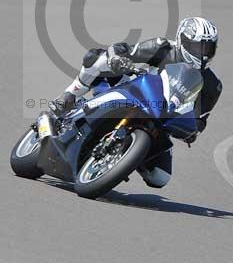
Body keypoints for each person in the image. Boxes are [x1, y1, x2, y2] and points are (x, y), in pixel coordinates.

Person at [48, 16, 222, 188]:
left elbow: (200, 120)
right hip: (137, 92)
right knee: (98, 58)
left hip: (161, 121)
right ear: (182, 40)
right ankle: (69, 96)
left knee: (159, 177)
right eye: (197, 46)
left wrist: (191, 131)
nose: (202, 53)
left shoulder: (212, 85)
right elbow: (126, 51)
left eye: (207, 48)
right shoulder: (163, 47)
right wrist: (118, 58)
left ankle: (125, 156)